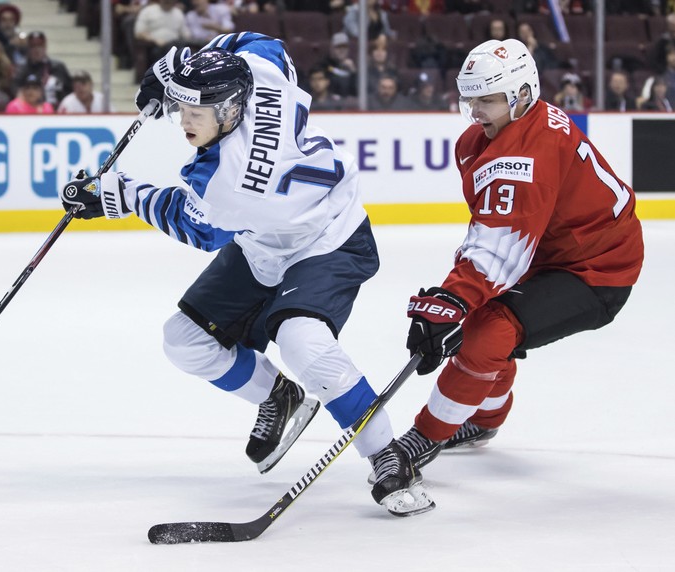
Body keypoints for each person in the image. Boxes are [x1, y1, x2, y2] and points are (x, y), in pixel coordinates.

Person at [57, 34, 434, 516]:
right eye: (181, 108)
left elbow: (199, 229)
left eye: (197, 112)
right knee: (185, 340)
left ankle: (388, 454)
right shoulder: (260, 72)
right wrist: (179, 68)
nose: (185, 122)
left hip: (326, 237)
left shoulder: (228, 180)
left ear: (232, 110)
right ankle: (280, 395)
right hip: (263, 239)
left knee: (302, 341)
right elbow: (257, 41)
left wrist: (120, 194)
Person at [389, 38, 643, 476]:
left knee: (489, 330)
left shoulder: (526, 155)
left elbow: (500, 244)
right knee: (477, 316)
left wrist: (453, 298)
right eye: (471, 100)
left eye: (487, 100)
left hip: (599, 268)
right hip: (552, 250)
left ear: (522, 94)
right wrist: (460, 297)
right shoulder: (484, 140)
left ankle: (426, 436)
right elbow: (493, 229)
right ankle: (483, 420)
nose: (476, 112)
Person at [13, 31, 72, 108]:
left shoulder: (58, 67)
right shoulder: (21, 68)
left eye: (40, 46)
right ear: (28, 48)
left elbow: (69, 90)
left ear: (45, 47)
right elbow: (16, 90)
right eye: (33, 46)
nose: (37, 49)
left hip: (57, 110)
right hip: (31, 110)